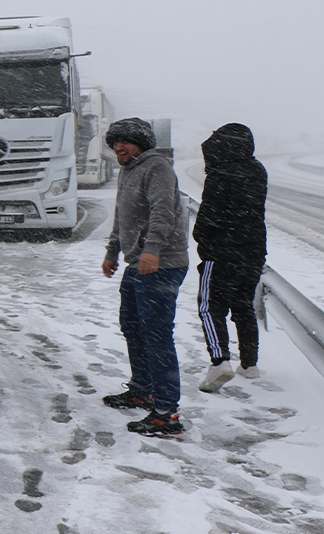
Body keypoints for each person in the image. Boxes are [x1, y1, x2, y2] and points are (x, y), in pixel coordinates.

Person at [99, 117, 190, 436]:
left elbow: (163, 211)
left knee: (156, 335)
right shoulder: (128, 169)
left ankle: (166, 412)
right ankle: (143, 389)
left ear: (141, 143)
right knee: (133, 327)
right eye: (114, 143)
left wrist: (152, 249)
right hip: (138, 263)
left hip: (161, 264)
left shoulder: (156, 167)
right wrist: (113, 251)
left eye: (125, 142)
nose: (119, 147)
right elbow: (123, 215)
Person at [193, 123, 268, 392]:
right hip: (254, 250)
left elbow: (209, 215)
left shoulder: (220, 173)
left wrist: (201, 237)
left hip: (222, 252)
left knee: (209, 307)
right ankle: (249, 365)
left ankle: (219, 362)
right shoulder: (258, 170)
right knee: (243, 306)